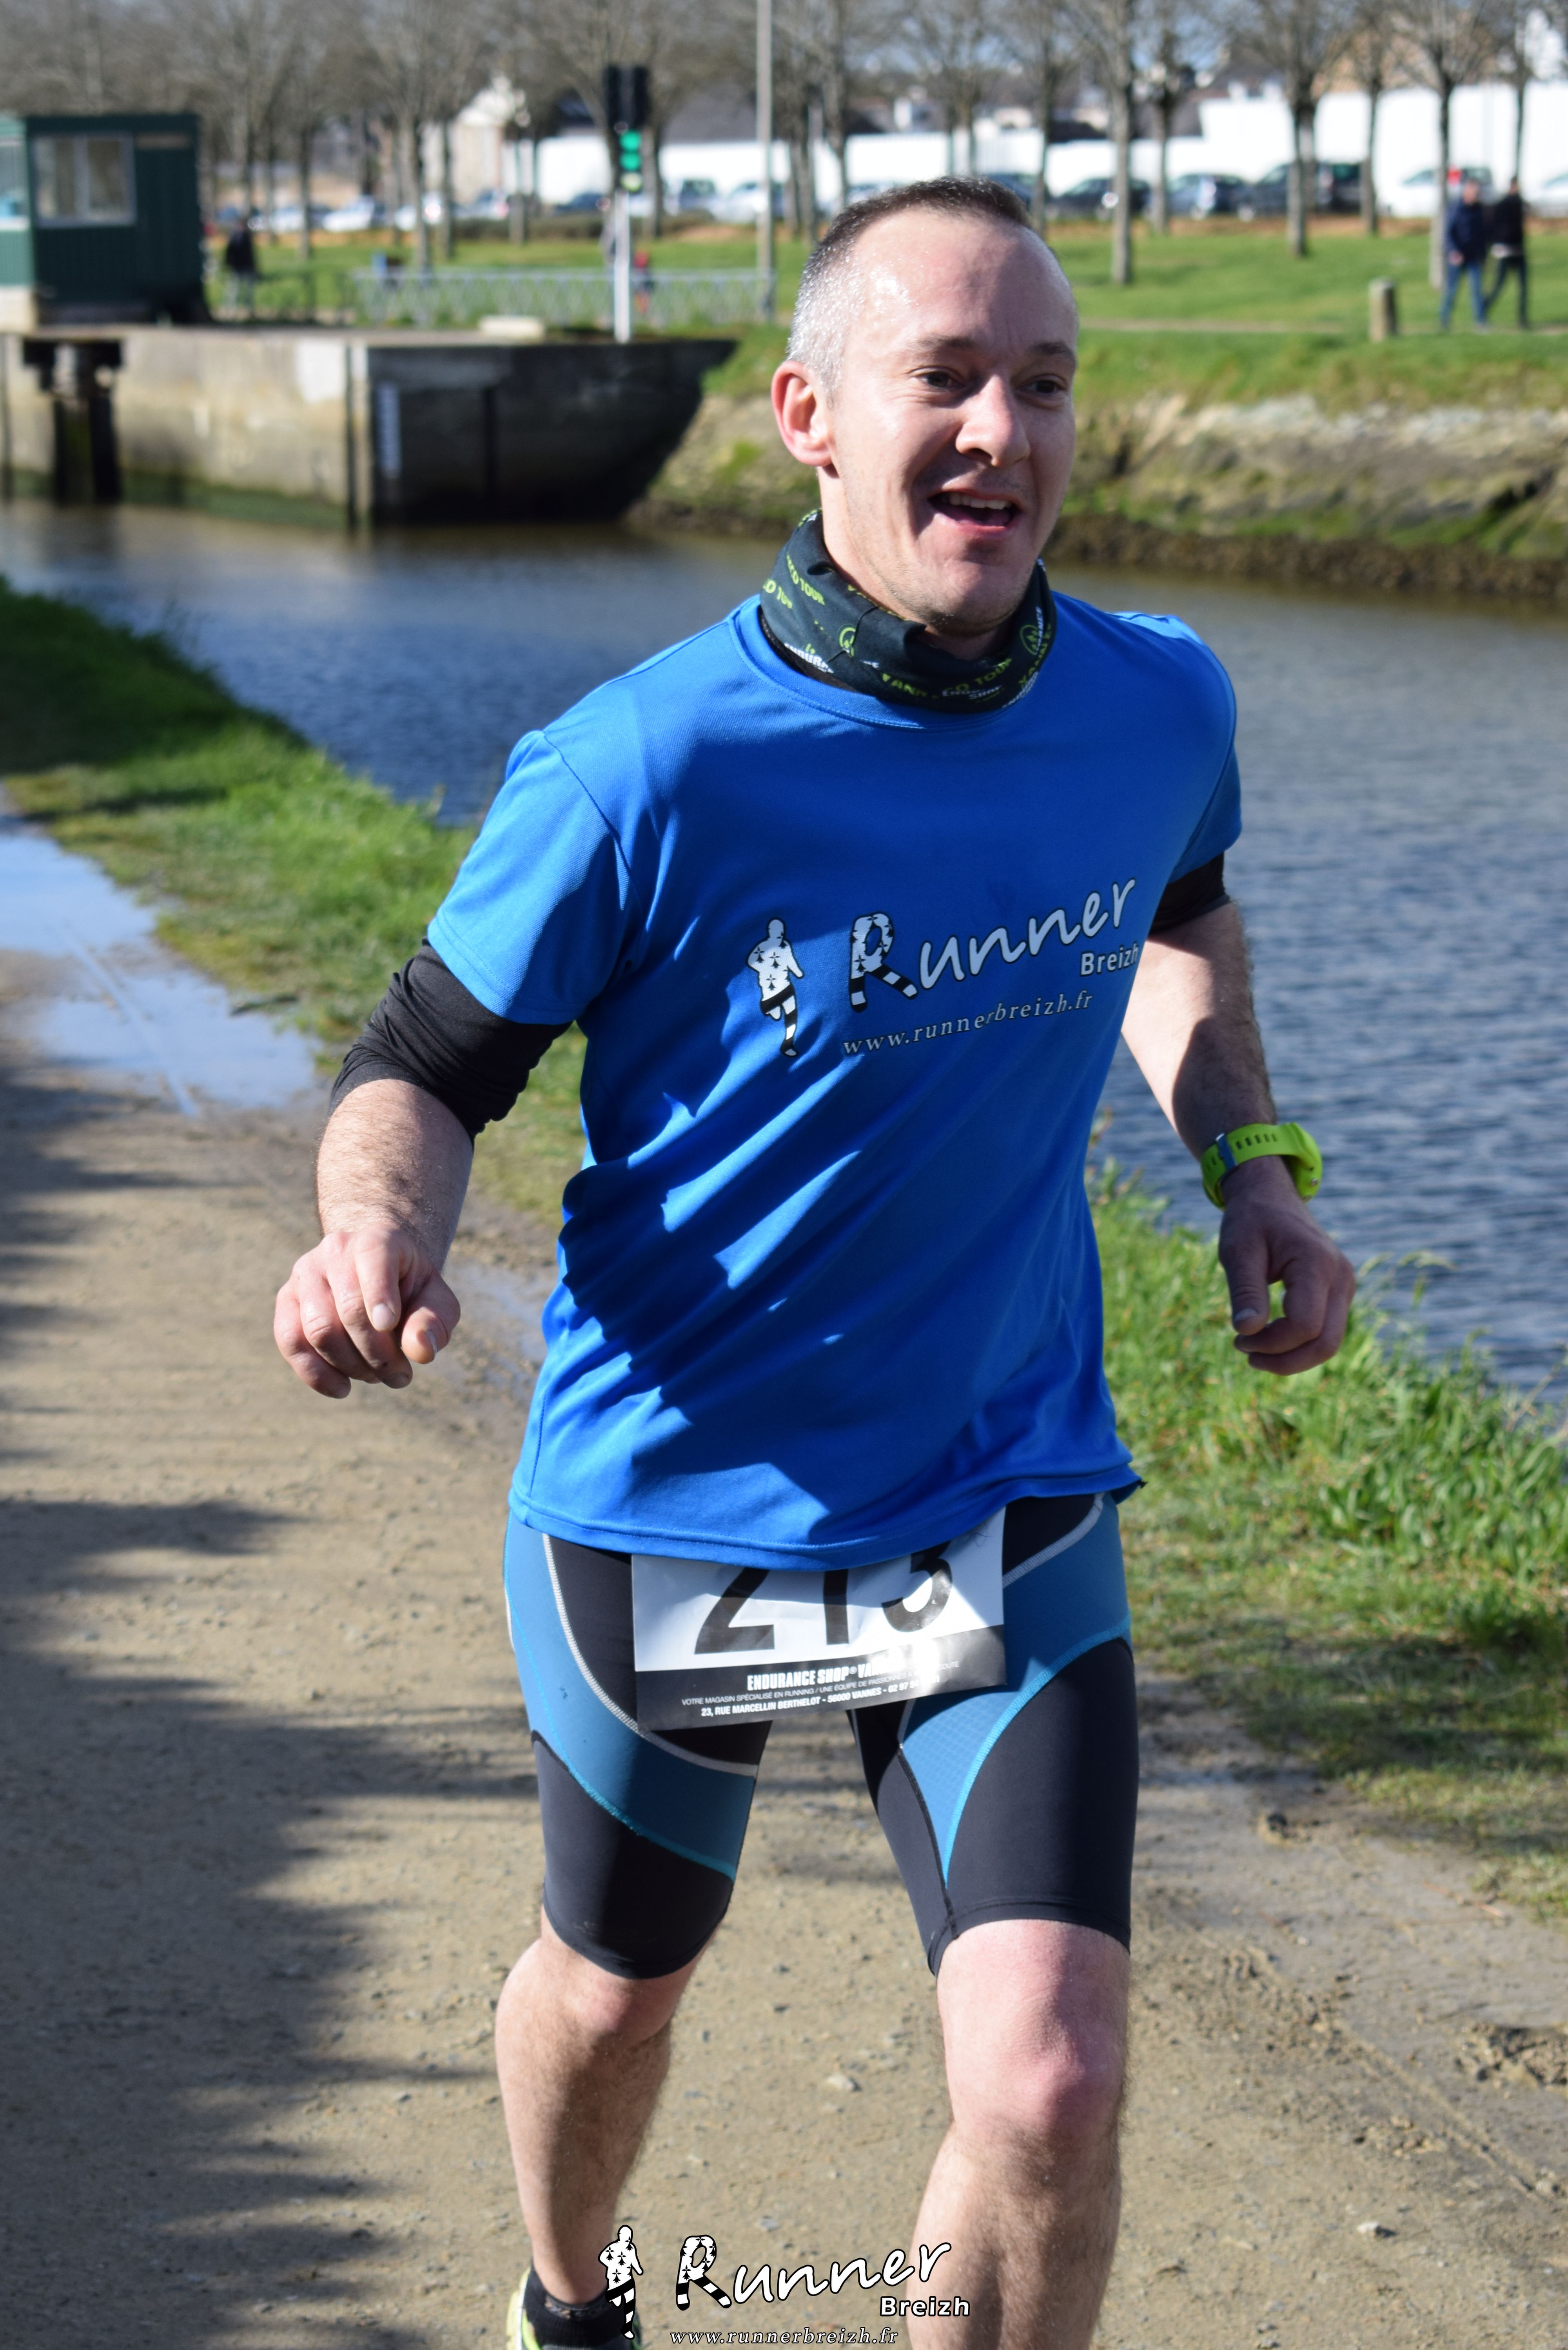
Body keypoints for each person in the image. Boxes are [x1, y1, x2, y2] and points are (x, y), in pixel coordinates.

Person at [274, 177, 1355, 2350]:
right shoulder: (643, 762)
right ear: (808, 415)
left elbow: (1176, 909)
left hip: (997, 1482)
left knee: (1048, 2077)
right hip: (679, 1510)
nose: (1001, 432)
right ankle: (569, 2300)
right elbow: (422, 1065)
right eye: (942, 376)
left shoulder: (1154, 700)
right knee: (618, 1985)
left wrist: (1248, 1159)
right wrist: (374, 1227)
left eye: (1042, 383)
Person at [1439, 175, 1489, 329]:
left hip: (1473, 256)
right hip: (1457, 257)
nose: (1477, 195)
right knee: (1452, 290)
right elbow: (1448, 233)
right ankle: (1444, 320)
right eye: (1475, 192)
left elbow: (1482, 234)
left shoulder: (1478, 210)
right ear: (1467, 192)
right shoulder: (1456, 209)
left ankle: (1481, 321)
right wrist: (1453, 251)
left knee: (1477, 290)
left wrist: (1484, 255)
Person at [1486, 176, 1528, 328]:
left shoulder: (1520, 204)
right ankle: (1484, 307)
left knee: (1523, 287)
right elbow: (1494, 227)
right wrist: (1496, 244)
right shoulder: (1502, 205)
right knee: (1500, 285)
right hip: (1505, 251)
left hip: (1519, 251)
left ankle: (1523, 318)